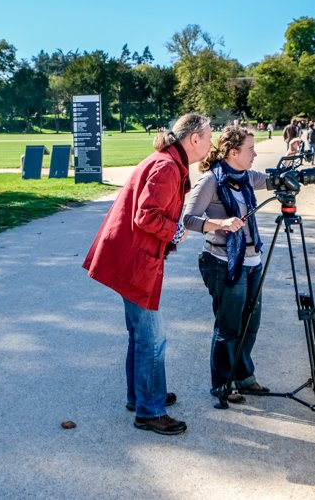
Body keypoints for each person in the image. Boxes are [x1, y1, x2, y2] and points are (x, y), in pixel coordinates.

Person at [83, 113, 214, 436]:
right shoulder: (168, 167)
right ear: (194, 138)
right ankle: (149, 411)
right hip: (135, 260)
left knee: (142, 334)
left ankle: (142, 395)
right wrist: (176, 232)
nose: (211, 144)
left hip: (132, 256)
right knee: (153, 337)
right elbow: (147, 215)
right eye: (209, 137)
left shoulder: (166, 161)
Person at [182, 126, 300, 405]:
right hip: (223, 262)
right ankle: (223, 383)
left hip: (252, 261)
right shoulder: (210, 181)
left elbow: (275, 179)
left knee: (251, 323)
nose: (255, 153)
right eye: (250, 148)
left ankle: (244, 376)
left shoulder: (247, 177)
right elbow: (188, 219)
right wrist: (219, 223)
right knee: (229, 327)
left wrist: (291, 157)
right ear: (234, 152)